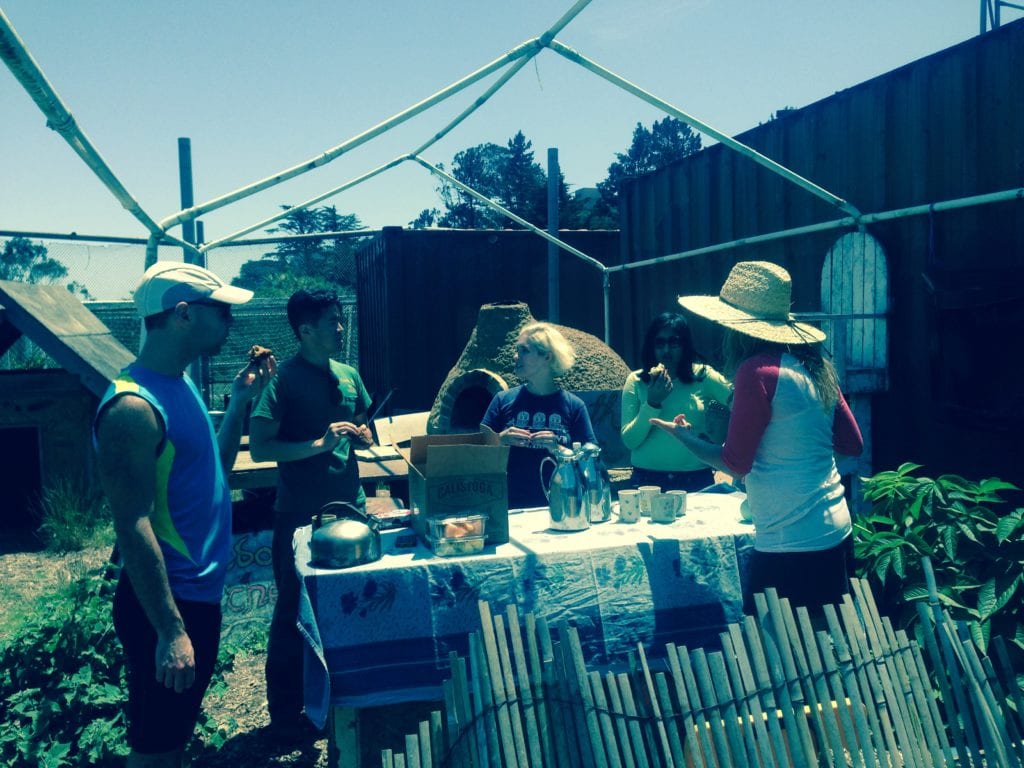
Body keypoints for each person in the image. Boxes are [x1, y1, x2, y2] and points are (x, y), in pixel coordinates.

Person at [94, 262, 274, 767]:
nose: (231, 322)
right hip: (168, 604)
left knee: (171, 740)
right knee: (155, 749)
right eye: (221, 310)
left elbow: (213, 470)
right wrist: (172, 631)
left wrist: (239, 403)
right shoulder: (133, 407)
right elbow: (132, 524)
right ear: (182, 315)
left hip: (197, 597)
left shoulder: (181, 384)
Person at [650, 261, 863, 614]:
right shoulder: (815, 368)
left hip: (790, 541)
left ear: (736, 327)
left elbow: (735, 463)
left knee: (776, 652)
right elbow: (852, 444)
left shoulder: (756, 371)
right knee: (830, 646)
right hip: (836, 527)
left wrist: (683, 436)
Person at [248, 288, 373, 738]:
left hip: (351, 510)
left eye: (340, 320)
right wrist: (317, 445)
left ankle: (348, 703)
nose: (340, 328)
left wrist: (362, 436)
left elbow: (367, 431)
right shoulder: (283, 381)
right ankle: (285, 717)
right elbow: (261, 448)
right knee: (291, 615)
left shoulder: (349, 375)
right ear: (305, 330)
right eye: (332, 322)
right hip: (301, 515)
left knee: (355, 605)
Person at [481, 322, 597, 509]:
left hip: (562, 507)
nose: (515, 356)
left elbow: (590, 460)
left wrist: (557, 448)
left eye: (524, 350)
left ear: (547, 357)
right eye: (516, 350)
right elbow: (475, 454)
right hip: (509, 509)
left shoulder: (574, 405)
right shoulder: (502, 400)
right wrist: (500, 440)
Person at [620, 312, 733, 492]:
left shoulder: (703, 376)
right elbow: (630, 441)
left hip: (696, 480)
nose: (666, 350)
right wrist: (652, 404)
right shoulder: (637, 380)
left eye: (674, 342)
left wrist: (720, 436)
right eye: (660, 343)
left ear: (685, 345)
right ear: (651, 346)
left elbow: (740, 403)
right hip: (647, 482)